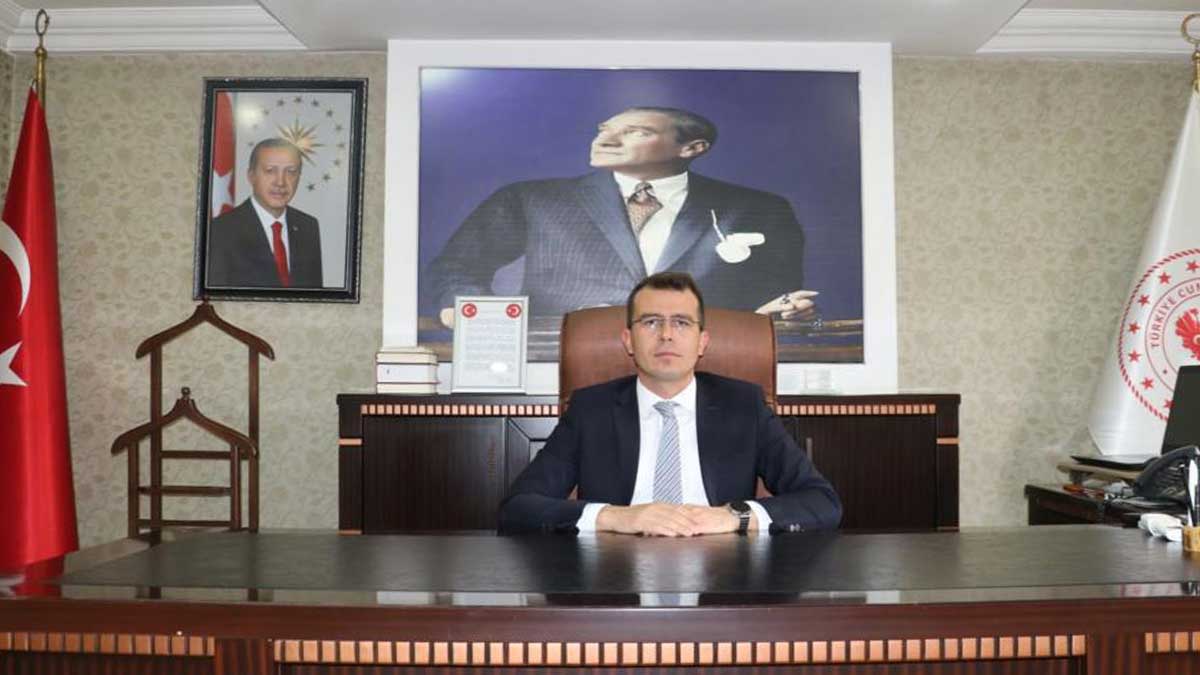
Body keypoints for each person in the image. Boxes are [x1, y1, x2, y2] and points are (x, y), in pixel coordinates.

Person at [498, 272, 841, 536]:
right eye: (651, 322)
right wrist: (615, 517)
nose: (666, 334)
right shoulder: (591, 410)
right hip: (614, 575)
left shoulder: (743, 406)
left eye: (681, 322)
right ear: (628, 341)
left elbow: (822, 502)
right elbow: (518, 508)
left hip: (724, 577)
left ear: (702, 342)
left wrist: (733, 517)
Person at [426, 106, 815, 327]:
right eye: (604, 130)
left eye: (636, 132)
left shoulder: (760, 208)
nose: (605, 140)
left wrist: (781, 314)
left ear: (692, 148)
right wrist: (476, 317)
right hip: (559, 368)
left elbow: (779, 299)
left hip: (709, 370)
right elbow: (455, 269)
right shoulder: (530, 199)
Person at [206, 138, 323, 288]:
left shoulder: (308, 226)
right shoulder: (220, 231)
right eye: (270, 171)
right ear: (251, 176)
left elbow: (314, 295)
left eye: (291, 172)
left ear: (299, 177)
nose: (280, 182)